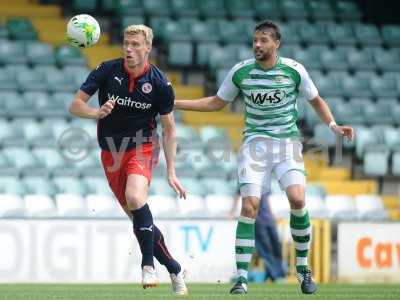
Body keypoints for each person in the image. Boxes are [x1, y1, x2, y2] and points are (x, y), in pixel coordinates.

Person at [175, 20, 354, 295]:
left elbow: (316, 100)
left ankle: (304, 270)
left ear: (276, 43)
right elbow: (216, 102)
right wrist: (174, 102)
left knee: (297, 199)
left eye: (263, 40)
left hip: (287, 146)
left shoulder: (294, 71)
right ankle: (242, 278)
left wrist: (333, 126)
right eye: (255, 40)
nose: (257, 45)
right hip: (254, 146)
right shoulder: (242, 71)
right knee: (249, 207)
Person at [69, 24, 188, 295]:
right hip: (111, 153)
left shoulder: (160, 83)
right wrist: (96, 113)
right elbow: (75, 105)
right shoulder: (106, 70)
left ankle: (147, 265)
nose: (129, 49)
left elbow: (169, 129)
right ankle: (175, 267)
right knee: (139, 220)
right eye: (126, 43)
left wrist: (171, 171)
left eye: (135, 45)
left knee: (135, 198)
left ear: (148, 48)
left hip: (143, 146)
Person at [229, 191, 286, 283]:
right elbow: (238, 194)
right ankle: (276, 275)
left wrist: (272, 214)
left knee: (276, 247)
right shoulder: (247, 178)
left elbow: (266, 200)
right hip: (257, 220)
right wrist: (232, 211)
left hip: (268, 219)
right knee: (265, 249)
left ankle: (274, 273)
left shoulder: (265, 179)